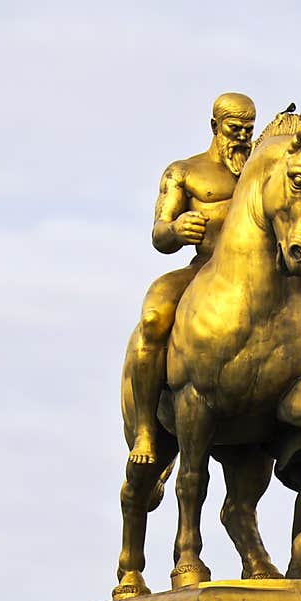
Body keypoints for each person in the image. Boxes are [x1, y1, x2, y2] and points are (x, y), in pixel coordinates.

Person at [127, 92, 256, 466]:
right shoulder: (183, 171)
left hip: (260, 277)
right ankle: (146, 428)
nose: (243, 138)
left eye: (249, 130)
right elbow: (159, 234)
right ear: (215, 126)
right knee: (153, 318)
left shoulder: (261, 170)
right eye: (235, 129)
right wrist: (178, 228)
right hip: (202, 269)